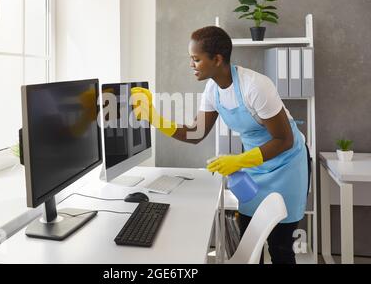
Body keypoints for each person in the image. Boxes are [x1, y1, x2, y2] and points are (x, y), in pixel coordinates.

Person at [131, 26, 309, 264]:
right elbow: (196, 133)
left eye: (196, 59)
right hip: (256, 165)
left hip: (287, 164)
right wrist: (155, 118)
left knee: (280, 247)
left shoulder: (255, 86)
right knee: (249, 240)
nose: (191, 65)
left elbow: (284, 140)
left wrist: (239, 160)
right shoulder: (213, 89)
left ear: (217, 59)